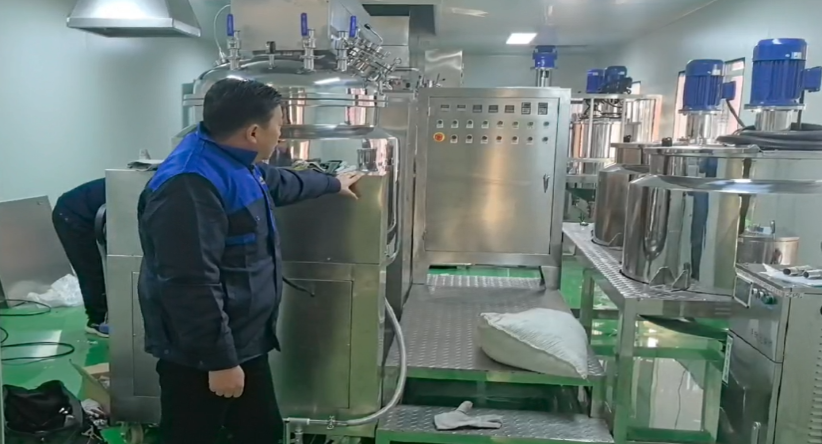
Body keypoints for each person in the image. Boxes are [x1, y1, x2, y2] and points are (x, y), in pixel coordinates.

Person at [136, 78, 362, 444]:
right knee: (192, 434)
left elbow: (277, 183)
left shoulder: (233, 161)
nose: (281, 135)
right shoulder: (189, 185)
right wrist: (220, 362)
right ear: (254, 132)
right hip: (202, 354)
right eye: (279, 126)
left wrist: (332, 184)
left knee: (261, 432)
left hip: (241, 340)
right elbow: (189, 283)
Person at [52, 178, 109, 337]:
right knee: (91, 268)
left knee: (107, 266)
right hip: (71, 214)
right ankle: (97, 321)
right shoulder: (143, 186)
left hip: (89, 212)